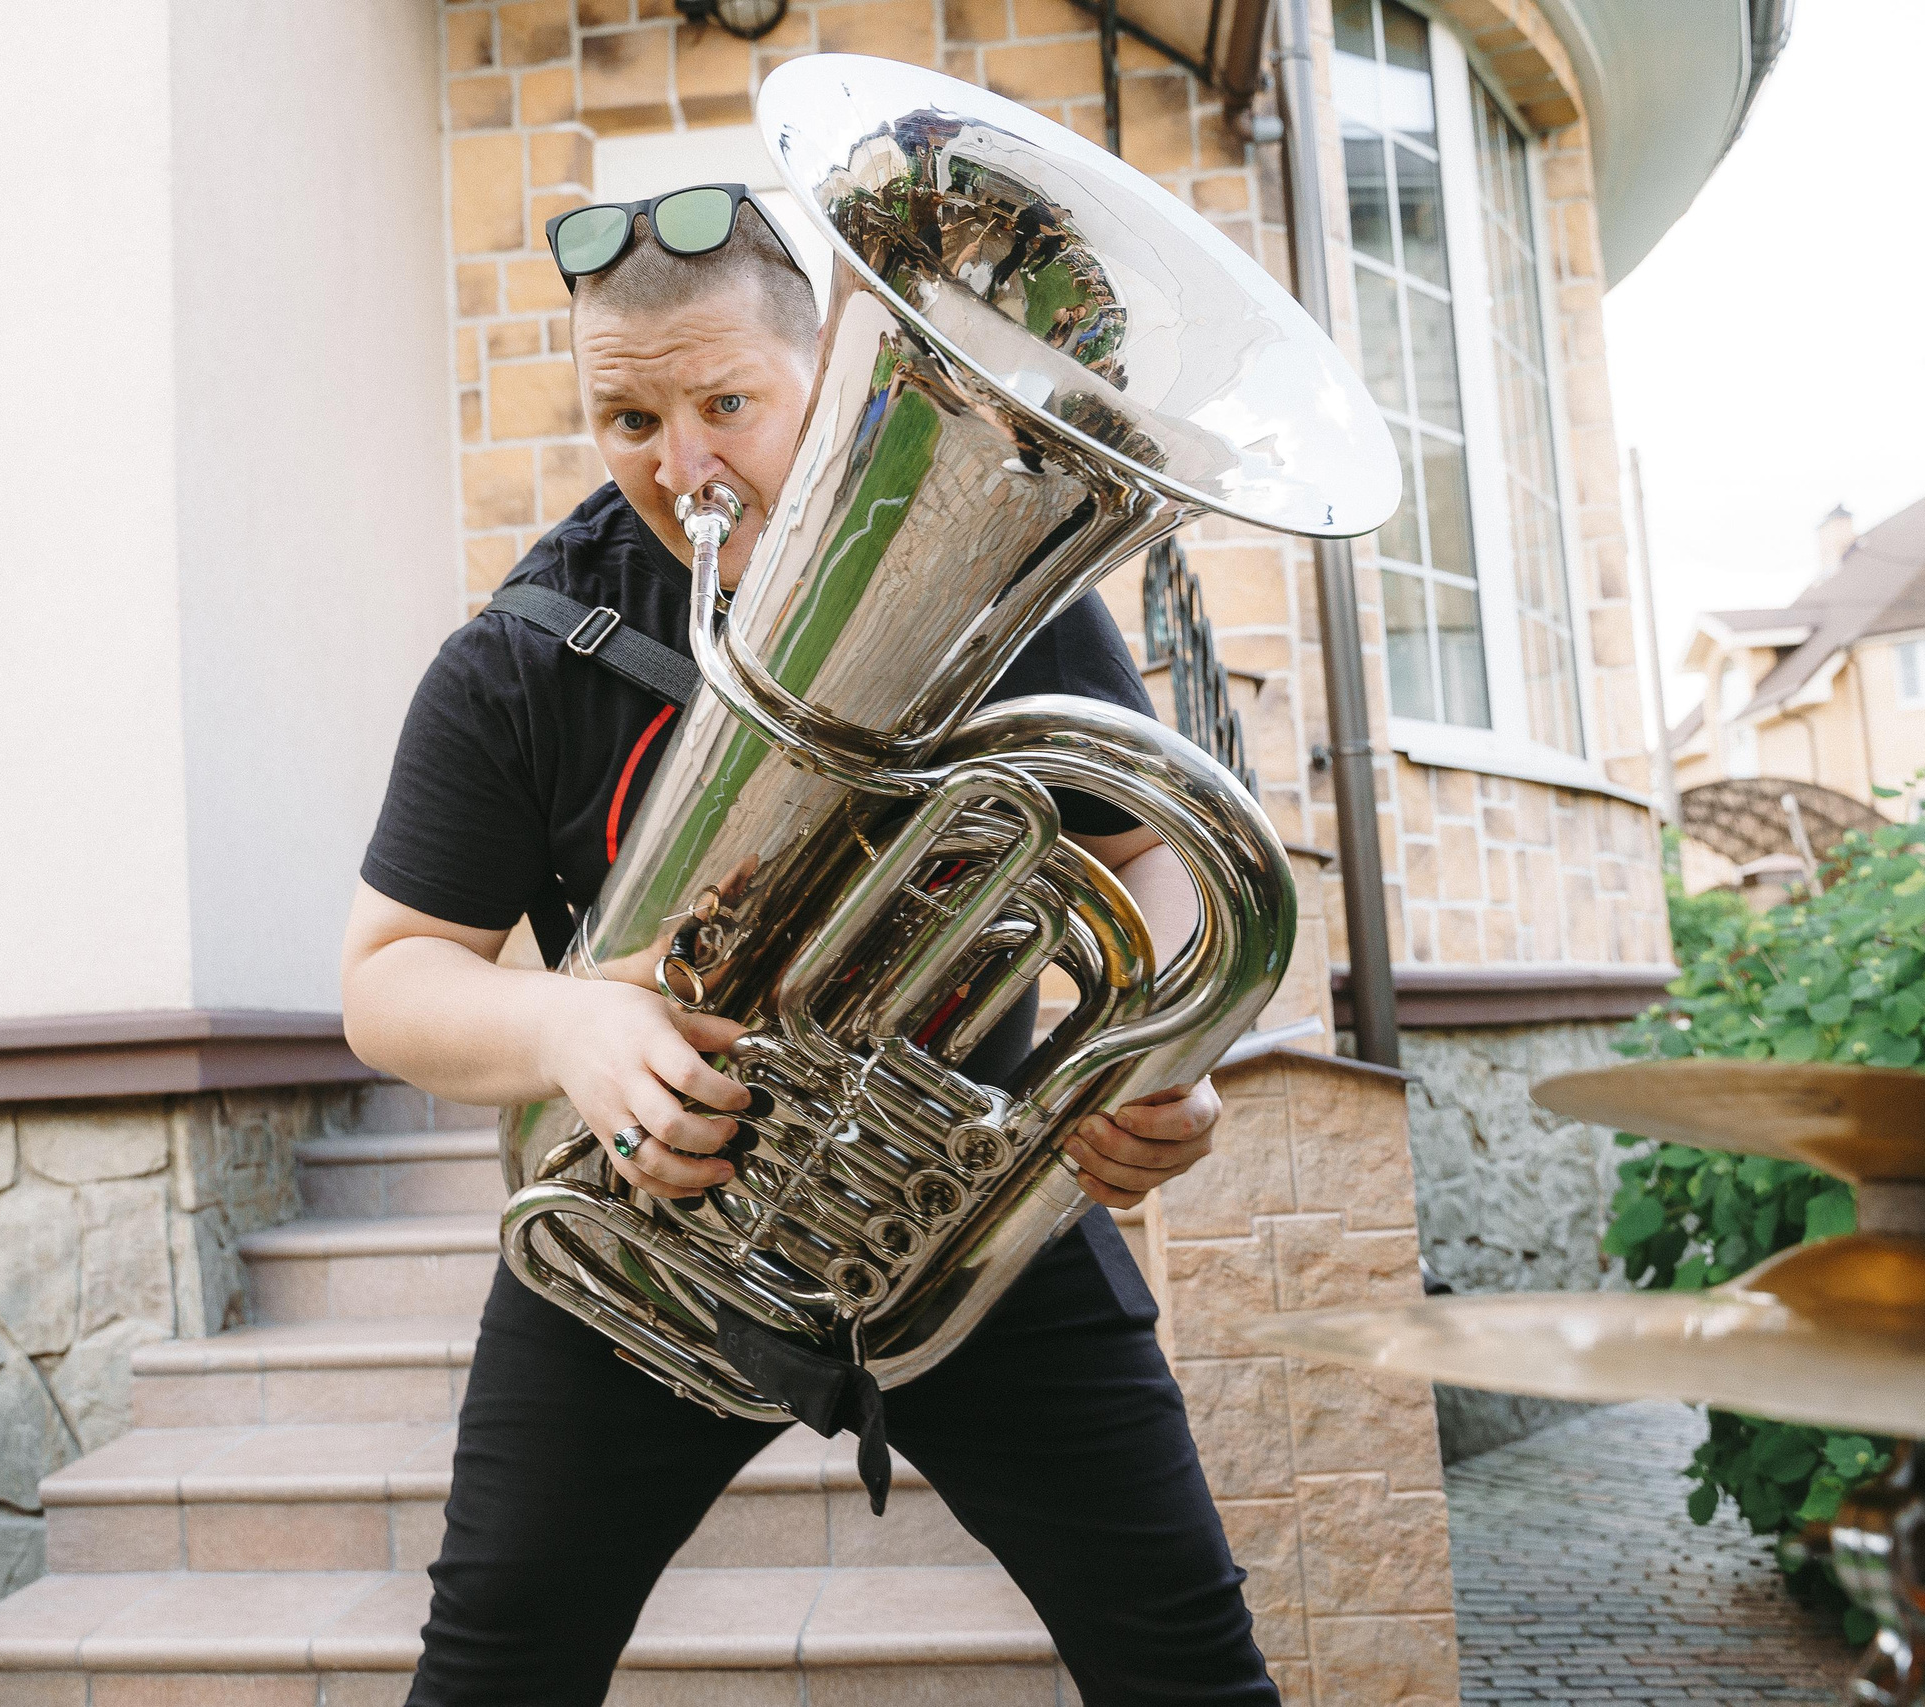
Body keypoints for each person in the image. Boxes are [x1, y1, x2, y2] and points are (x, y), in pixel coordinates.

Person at [340, 183, 1282, 1707]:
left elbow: (1145, 850)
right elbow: (386, 983)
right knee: (494, 1673)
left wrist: (1154, 1054)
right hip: (644, 1232)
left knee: (1185, 1660)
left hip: (963, 1207)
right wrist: (567, 1027)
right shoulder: (518, 657)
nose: (684, 468)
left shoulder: (988, 554)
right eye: (628, 421)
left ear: (830, 364)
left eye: (726, 402)